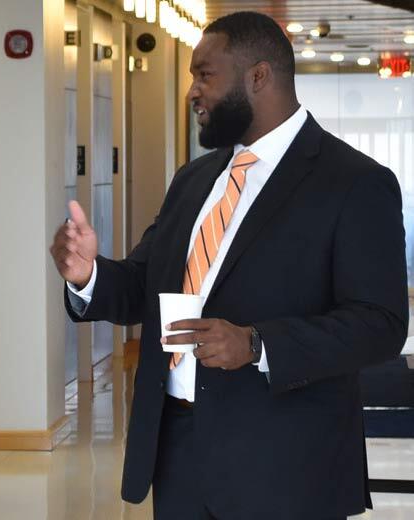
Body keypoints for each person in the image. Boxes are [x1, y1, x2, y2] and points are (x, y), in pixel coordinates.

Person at [51, 11, 408, 520]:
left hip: (286, 468)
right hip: (176, 456)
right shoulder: (194, 179)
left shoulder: (353, 182)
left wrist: (257, 344)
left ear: (258, 76)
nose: (192, 91)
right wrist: (89, 274)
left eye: (205, 75)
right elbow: (143, 287)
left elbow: (381, 325)